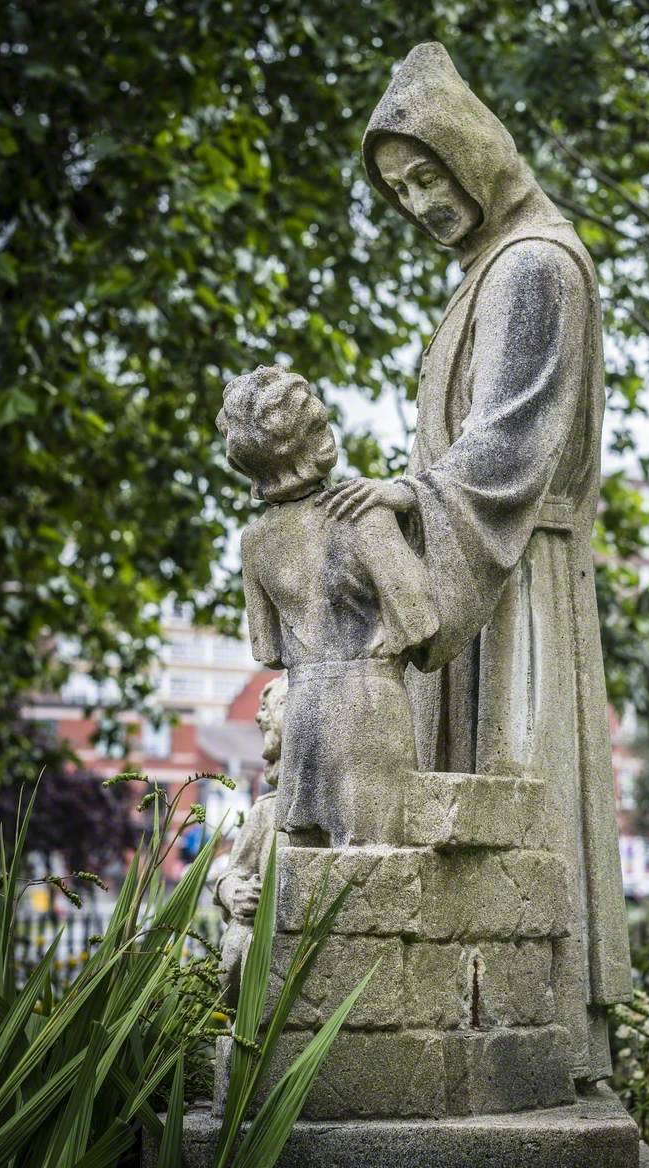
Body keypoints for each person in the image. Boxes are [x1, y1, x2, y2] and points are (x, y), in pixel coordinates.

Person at [320, 42, 632, 1083]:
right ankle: (474, 1033)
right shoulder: (493, 270)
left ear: (471, 153)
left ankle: (538, 1039)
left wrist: (411, 497)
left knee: (515, 783)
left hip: (512, 580)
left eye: (425, 174)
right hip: (475, 561)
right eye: (398, 189)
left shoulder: (535, 264)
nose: (417, 202)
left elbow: (509, 437)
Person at [216, 365, 438, 851]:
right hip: (368, 708)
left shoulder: (255, 542)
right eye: (318, 424)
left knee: (303, 880)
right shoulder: (362, 511)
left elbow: (266, 647)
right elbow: (420, 617)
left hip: (304, 714)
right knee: (374, 869)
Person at [214, 674, 287, 1007]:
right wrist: (236, 896)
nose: (259, 717)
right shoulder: (265, 812)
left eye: (268, 711)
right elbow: (227, 877)